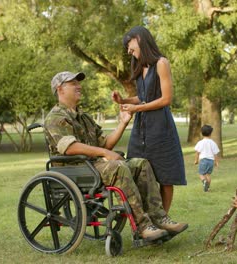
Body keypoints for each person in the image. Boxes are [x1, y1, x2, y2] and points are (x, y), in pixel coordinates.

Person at [44, 71, 188, 241]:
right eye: (73, 83)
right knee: (118, 167)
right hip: (74, 169)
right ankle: (143, 226)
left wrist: (123, 122)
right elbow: (69, 148)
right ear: (60, 89)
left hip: (92, 166)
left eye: (78, 82)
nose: (79, 86)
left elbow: (106, 144)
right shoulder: (56, 117)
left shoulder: (84, 117)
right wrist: (104, 153)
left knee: (141, 164)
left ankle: (159, 218)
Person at [111, 26, 186, 213]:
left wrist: (138, 108)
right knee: (137, 171)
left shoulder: (161, 63)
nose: (128, 51)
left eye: (129, 45)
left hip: (160, 128)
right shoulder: (139, 66)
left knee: (165, 176)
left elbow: (166, 99)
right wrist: (124, 100)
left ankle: (163, 218)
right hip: (141, 130)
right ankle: (145, 219)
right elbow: (143, 97)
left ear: (139, 39)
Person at [194, 125, 220, 192]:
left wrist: (196, 160)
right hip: (211, 161)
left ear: (202, 133)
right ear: (211, 133)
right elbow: (215, 153)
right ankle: (208, 188)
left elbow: (197, 152)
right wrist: (216, 162)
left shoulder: (200, 143)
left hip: (203, 160)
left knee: (201, 174)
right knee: (208, 174)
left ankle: (204, 181)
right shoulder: (213, 143)